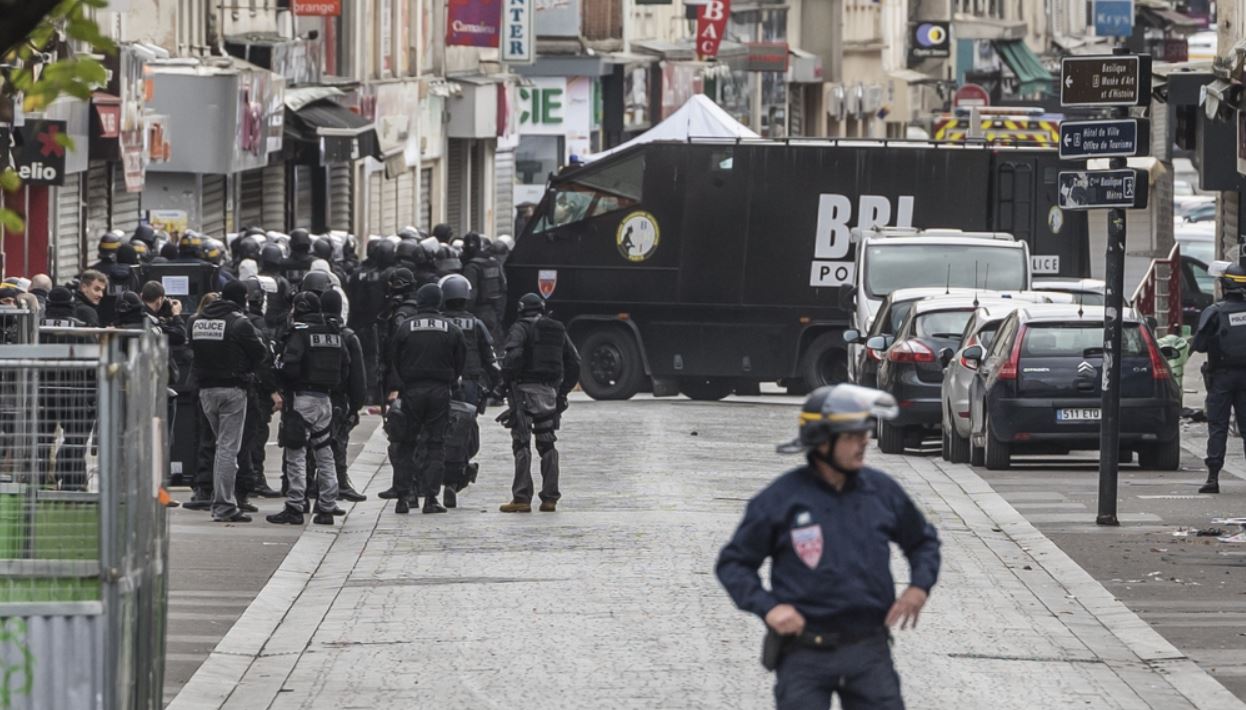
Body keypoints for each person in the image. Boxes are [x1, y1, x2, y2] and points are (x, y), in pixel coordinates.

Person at [715, 384, 941, 710]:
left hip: (869, 651)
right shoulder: (781, 500)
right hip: (804, 654)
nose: (864, 441)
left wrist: (920, 586)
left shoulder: (882, 492)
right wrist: (768, 607)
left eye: (865, 432)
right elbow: (733, 564)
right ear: (822, 441)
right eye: (852, 435)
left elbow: (922, 541)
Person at [186, 280, 278, 523]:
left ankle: (220, 497)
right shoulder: (239, 323)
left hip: (206, 391)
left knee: (220, 447)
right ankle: (225, 505)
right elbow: (260, 354)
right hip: (233, 391)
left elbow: (193, 350)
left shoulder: (195, 322)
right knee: (228, 449)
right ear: (242, 299)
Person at [267, 292, 349, 526]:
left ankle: (295, 505)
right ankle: (326, 506)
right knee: (325, 453)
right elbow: (345, 367)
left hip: (302, 400)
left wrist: (279, 374)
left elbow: (289, 367)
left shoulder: (299, 334)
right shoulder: (334, 334)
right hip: (326, 401)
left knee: (296, 454)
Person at [386, 283, 466, 514]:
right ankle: (431, 498)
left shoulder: (406, 327)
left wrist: (400, 385)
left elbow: (394, 358)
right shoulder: (451, 328)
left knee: (407, 444)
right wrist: (450, 380)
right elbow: (460, 359)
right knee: (436, 444)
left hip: (412, 390)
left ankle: (404, 496)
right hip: (440, 391)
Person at [498, 294, 580, 513]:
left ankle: (522, 498)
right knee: (547, 444)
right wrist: (561, 392)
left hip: (523, 393)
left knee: (522, 443)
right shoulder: (556, 329)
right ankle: (550, 499)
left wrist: (504, 382)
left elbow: (513, 357)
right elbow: (574, 362)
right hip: (549, 394)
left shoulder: (520, 328)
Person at [439, 274, 500, 506]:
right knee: (465, 435)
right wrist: (495, 389)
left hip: (443, 385)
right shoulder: (476, 324)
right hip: (470, 388)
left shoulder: (439, 322)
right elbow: (491, 361)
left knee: (437, 432)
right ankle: (455, 479)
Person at [1193, 262, 1246, 494]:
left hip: (1222, 377)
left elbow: (1199, 344)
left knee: (1218, 427)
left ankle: (1213, 477)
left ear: (1225, 285)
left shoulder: (1214, 312)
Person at [320, 289, 368, 502]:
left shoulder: (311, 332)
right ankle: (340, 483)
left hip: (317, 394)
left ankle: (315, 483)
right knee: (338, 443)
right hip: (339, 398)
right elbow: (358, 376)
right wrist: (356, 406)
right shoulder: (348, 336)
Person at [347, 239, 394, 404]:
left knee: (360, 359)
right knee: (375, 359)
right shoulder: (386, 275)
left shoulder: (356, 272)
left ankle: (363, 393)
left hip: (357, 323)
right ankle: (372, 394)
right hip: (376, 324)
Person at [460, 232, 507, 349]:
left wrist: (464, 314)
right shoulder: (493, 263)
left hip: (477, 313)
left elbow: (470, 295)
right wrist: (499, 314)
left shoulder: (471, 267)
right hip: (493, 313)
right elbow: (503, 289)